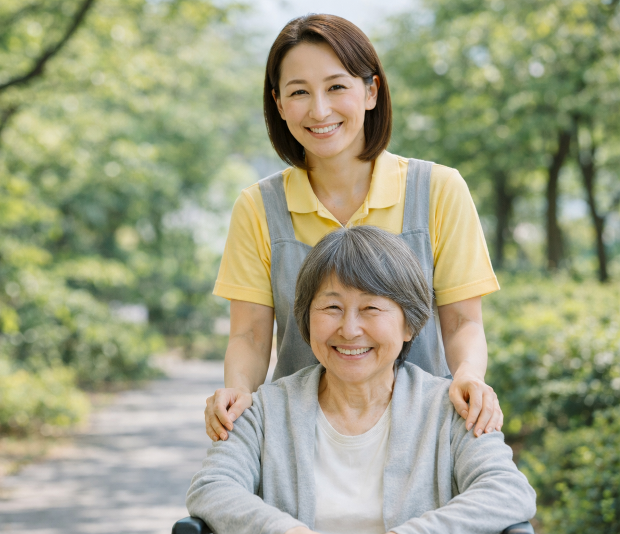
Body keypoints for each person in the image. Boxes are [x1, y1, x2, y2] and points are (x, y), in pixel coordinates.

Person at [206, 14, 503, 442]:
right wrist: (237, 389)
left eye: (336, 87)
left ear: (370, 91)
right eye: (299, 93)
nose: (320, 109)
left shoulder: (438, 190)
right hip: (300, 441)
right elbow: (250, 334)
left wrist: (470, 376)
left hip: (425, 437)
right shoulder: (258, 206)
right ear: (279, 104)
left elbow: (462, 324)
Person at [188, 226, 536, 534]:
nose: (350, 329)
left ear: (409, 324)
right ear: (307, 320)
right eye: (332, 308)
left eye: (371, 309)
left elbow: (507, 492)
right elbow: (212, 487)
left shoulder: (451, 410)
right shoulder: (264, 410)